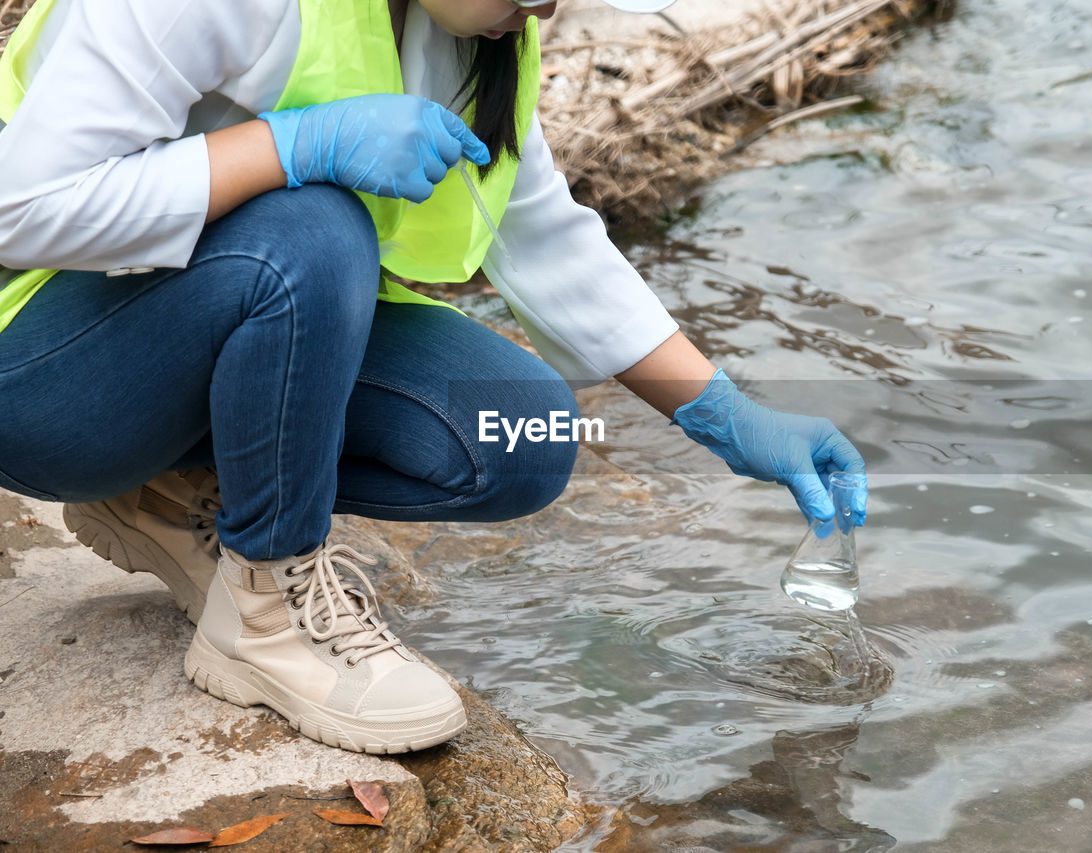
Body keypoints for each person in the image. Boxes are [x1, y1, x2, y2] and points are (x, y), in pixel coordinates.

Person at [0, 0, 867, 754]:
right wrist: (289, 145)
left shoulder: (475, 29)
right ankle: (264, 614)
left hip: (219, 327)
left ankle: (166, 495)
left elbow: (542, 232)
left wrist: (722, 413)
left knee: (524, 431)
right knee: (314, 225)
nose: (551, 12)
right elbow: (19, 208)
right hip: (39, 366)